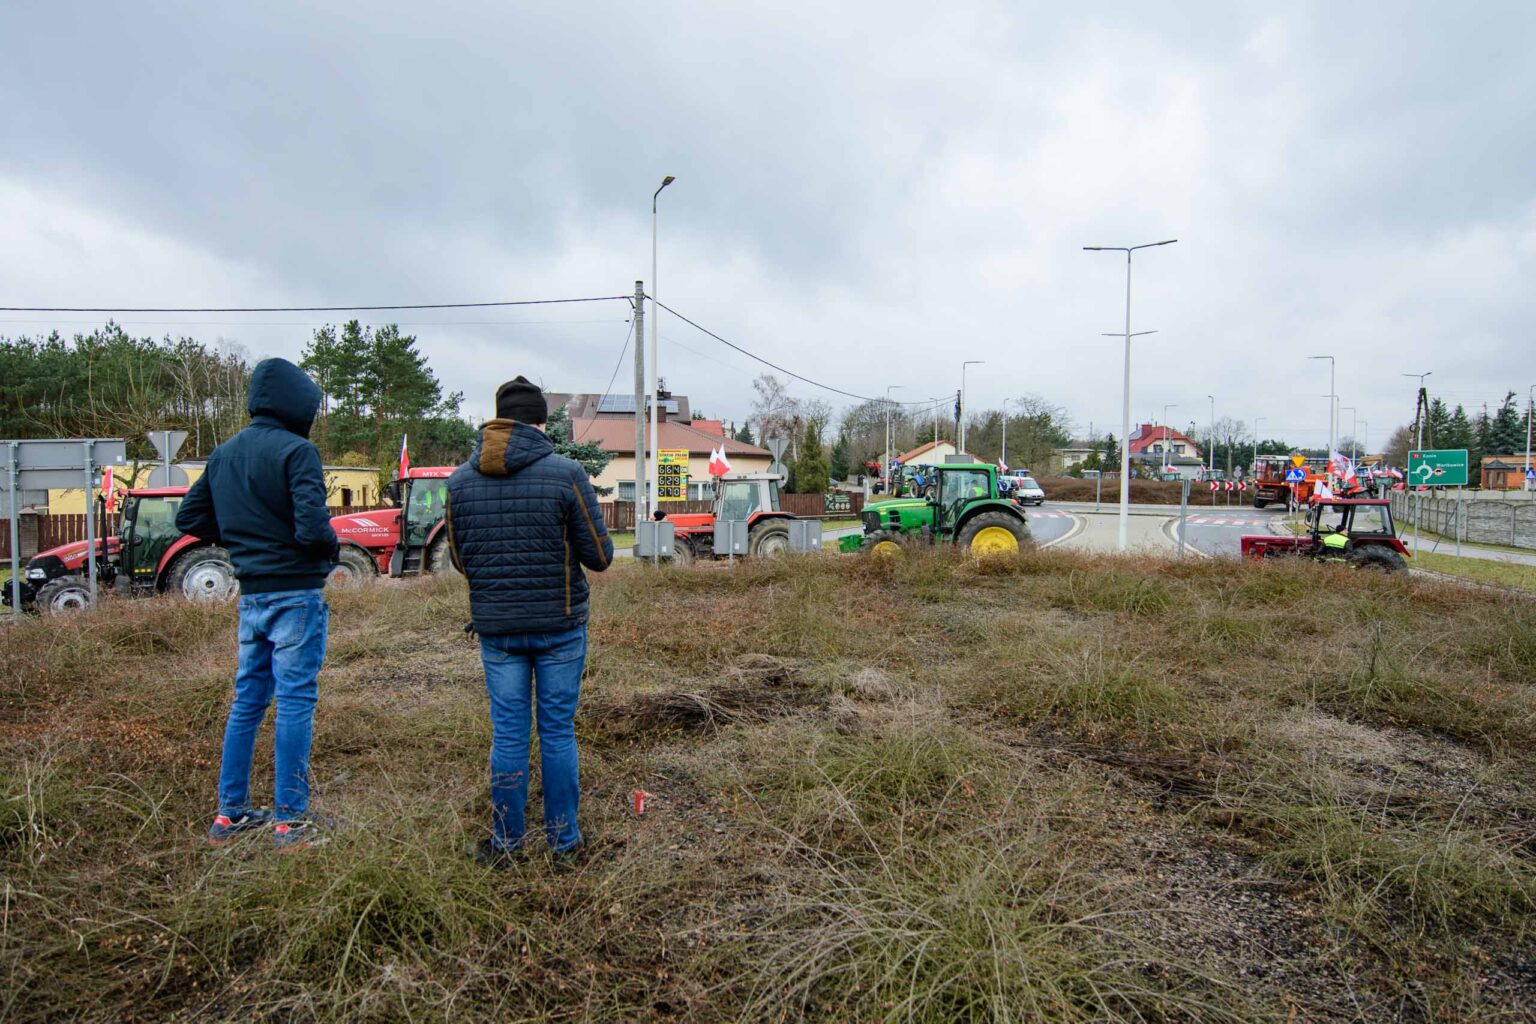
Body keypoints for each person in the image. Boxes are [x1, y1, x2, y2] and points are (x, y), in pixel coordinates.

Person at [446, 376, 613, 868]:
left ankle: (505, 845)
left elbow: (460, 558)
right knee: (557, 732)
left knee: (509, 735)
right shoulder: (566, 475)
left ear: (499, 418)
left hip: (497, 631)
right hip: (560, 626)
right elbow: (601, 556)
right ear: (540, 421)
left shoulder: (459, 482)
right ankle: (564, 846)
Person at [176, 357, 339, 851]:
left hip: (251, 596)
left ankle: (229, 815)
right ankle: (291, 821)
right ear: (298, 405)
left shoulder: (224, 453)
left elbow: (189, 516)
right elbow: (312, 528)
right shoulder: (298, 450)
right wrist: (328, 552)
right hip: (295, 593)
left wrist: (244, 540)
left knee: (247, 701)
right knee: (294, 701)